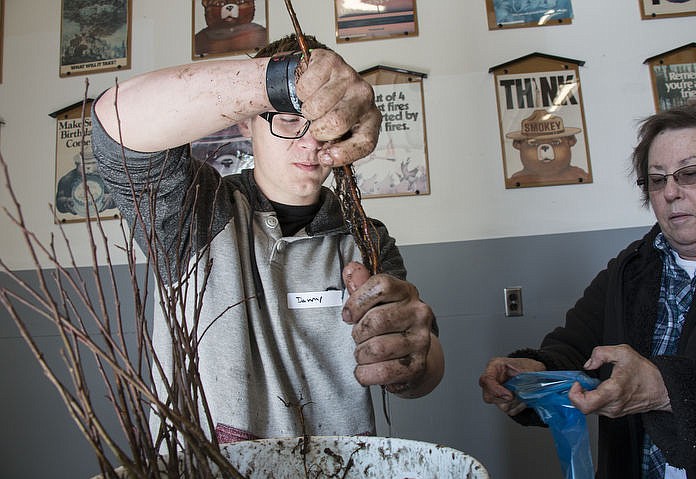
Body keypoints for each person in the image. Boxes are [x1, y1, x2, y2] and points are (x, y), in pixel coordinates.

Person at [91, 34, 444, 443]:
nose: (310, 142)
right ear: (247, 120)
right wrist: (277, 81)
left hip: (338, 466)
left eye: (324, 123)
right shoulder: (195, 212)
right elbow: (116, 124)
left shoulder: (364, 238)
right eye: (288, 117)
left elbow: (426, 365)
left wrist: (414, 358)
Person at [479, 104, 696, 479]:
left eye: (690, 174)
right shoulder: (630, 270)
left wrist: (663, 387)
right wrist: (534, 373)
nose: (671, 192)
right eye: (657, 180)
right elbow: (576, 350)